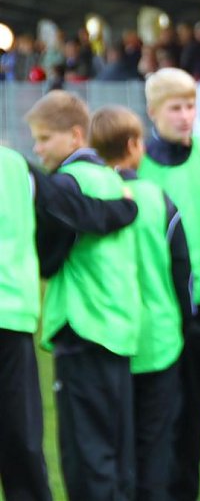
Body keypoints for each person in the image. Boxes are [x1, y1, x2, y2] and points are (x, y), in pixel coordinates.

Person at [1, 144, 139, 501]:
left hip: (11, 320)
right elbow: (74, 212)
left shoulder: (16, 167)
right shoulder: (15, 166)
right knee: (21, 451)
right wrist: (122, 208)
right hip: (10, 320)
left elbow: (71, 211)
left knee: (22, 451)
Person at [90, 106, 193, 501]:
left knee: (115, 448)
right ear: (135, 146)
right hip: (160, 340)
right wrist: (186, 323)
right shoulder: (157, 199)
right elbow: (182, 271)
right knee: (155, 448)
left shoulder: (92, 198)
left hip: (108, 339)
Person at [136, 67, 200, 501]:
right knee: (157, 426)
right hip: (157, 314)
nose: (185, 116)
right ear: (153, 112)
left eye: (190, 106)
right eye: (175, 107)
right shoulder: (139, 172)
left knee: (192, 424)